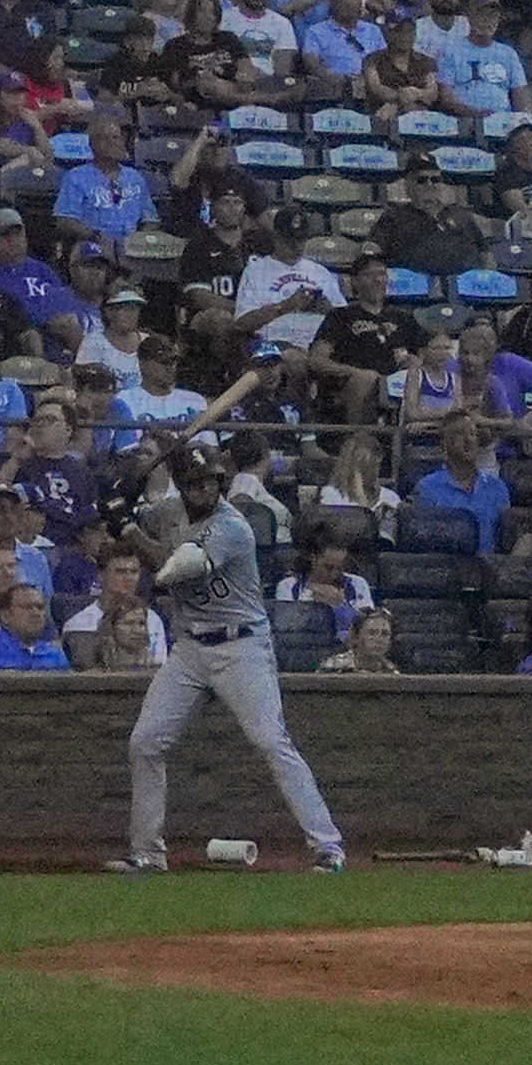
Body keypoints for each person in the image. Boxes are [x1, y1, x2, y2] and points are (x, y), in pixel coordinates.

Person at [110, 374, 347, 873]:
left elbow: (171, 570)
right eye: (194, 482)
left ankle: (327, 845)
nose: (203, 489)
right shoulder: (171, 509)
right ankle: (147, 853)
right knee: (145, 742)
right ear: (182, 485)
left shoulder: (233, 527)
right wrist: (119, 493)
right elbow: (117, 529)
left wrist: (128, 527)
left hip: (241, 647)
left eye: (210, 481)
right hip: (191, 648)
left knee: (269, 741)